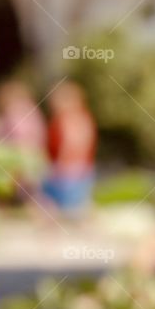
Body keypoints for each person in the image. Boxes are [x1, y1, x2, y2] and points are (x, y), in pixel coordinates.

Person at [42, 81, 97, 213]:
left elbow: (73, 145)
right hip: (71, 168)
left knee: (69, 205)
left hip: (71, 169)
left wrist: (60, 165)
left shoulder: (73, 119)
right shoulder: (68, 118)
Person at [0, 80, 47, 201]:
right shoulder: (33, 110)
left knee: (12, 190)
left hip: (18, 159)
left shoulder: (13, 111)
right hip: (34, 158)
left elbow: (15, 137)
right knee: (31, 194)